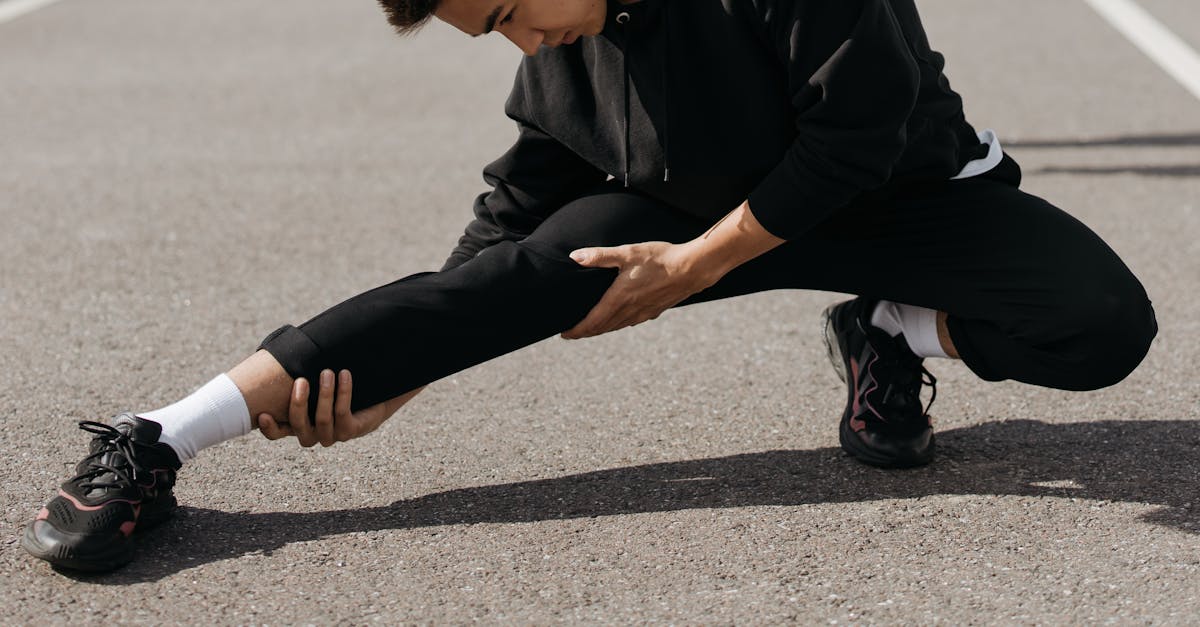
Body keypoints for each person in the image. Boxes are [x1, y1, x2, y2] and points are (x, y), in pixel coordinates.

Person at [21, 0, 1157, 572]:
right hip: (694, 217)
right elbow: (513, 215)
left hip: (903, 197)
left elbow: (859, 133)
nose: (518, 40)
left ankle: (891, 328)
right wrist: (409, 374)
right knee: (519, 269)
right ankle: (155, 436)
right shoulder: (562, 48)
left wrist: (695, 267)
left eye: (509, 11)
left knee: (1102, 326)